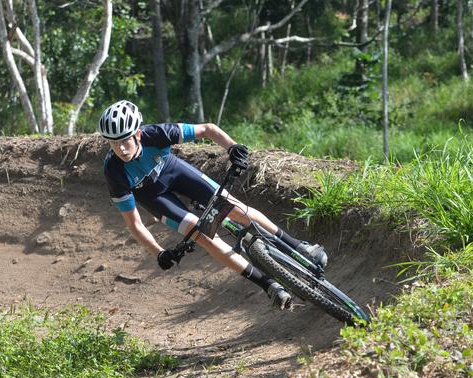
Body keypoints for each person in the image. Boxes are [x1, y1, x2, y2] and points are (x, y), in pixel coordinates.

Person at [99, 100, 327, 309]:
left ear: (138, 134)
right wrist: (158, 252)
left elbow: (207, 129)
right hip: (154, 197)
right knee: (200, 233)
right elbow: (135, 224)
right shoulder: (114, 172)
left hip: (173, 172)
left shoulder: (157, 134)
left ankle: (298, 247)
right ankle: (268, 285)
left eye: (124, 140)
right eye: (113, 143)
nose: (120, 148)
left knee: (234, 207)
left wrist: (232, 147)